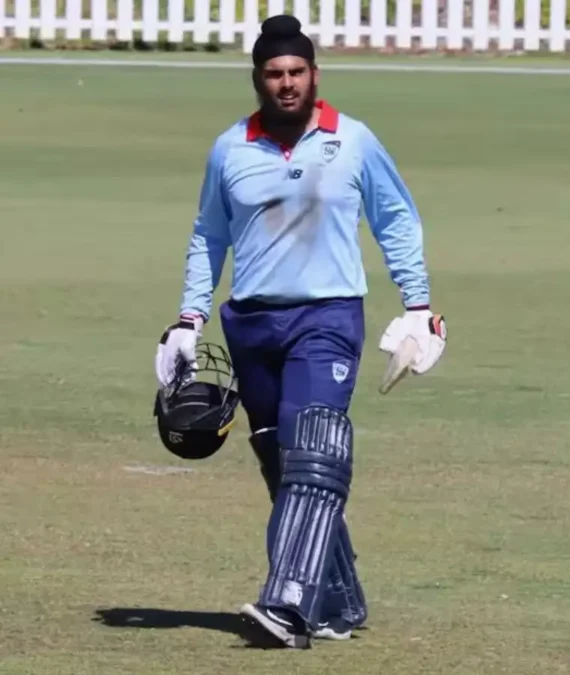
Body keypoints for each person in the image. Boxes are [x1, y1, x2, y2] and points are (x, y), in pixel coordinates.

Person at [153, 14, 447, 649]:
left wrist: (419, 306)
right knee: (282, 463)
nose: (286, 84)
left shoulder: (354, 140)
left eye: (296, 72)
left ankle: (287, 605)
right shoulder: (230, 148)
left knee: (314, 449)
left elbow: (396, 220)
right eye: (273, 74)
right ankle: (339, 601)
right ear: (257, 79)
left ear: (315, 74)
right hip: (251, 324)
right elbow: (208, 236)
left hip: (327, 317)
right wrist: (188, 319)